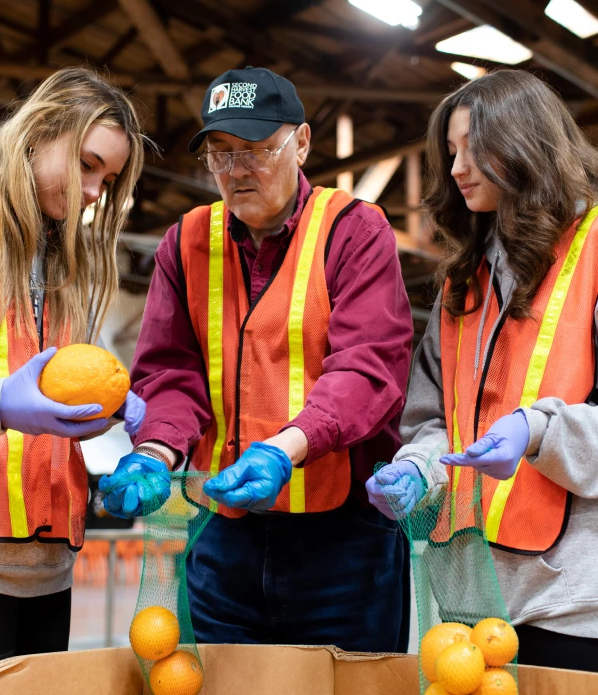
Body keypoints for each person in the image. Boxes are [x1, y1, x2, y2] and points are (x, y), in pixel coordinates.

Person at [100, 66, 413, 652]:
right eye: (219, 154)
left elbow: (368, 370)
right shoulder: (186, 242)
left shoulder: (354, 232)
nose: (236, 171)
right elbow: (171, 371)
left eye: (255, 150)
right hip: (224, 536)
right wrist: (152, 451)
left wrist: (281, 450)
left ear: (301, 142)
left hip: (344, 541)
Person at [366, 69, 598, 672]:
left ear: (528, 144)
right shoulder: (463, 284)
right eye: (450, 152)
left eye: (475, 147)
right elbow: (435, 416)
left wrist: (538, 432)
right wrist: (416, 469)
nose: (458, 167)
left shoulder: (594, 251)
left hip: (574, 604)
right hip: (471, 598)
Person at [0, 67, 148, 679]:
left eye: (108, 178)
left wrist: (103, 419)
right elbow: (7, 395)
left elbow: (51, 391)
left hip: (46, 575)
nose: (96, 190)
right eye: (88, 165)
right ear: (39, 132)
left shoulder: (57, 253)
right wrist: (0, 404)